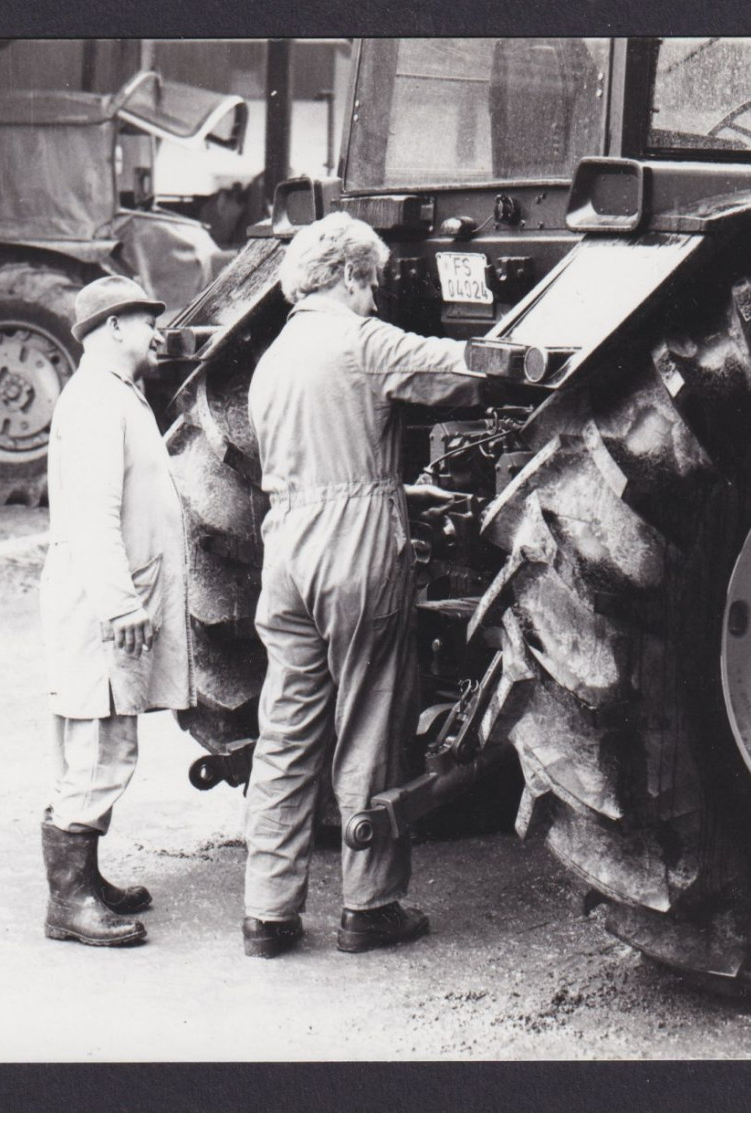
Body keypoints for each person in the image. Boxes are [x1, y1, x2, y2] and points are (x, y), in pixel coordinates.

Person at [240, 212, 484, 958]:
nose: (375, 296)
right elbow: (457, 367)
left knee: (285, 731)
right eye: (371, 280)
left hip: (286, 552)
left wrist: (401, 491)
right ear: (348, 275)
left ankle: (268, 912)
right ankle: (370, 904)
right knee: (374, 720)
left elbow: (320, 465)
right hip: (355, 549)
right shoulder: (360, 340)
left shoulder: (273, 357)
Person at [37, 276, 191, 947]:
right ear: (110, 329)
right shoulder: (99, 402)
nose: (156, 331)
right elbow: (93, 515)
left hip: (112, 597)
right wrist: (121, 603)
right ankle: (68, 902)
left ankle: (85, 879)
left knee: (107, 741)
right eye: (143, 318)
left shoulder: (116, 396)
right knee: (97, 745)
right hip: (105, 604)